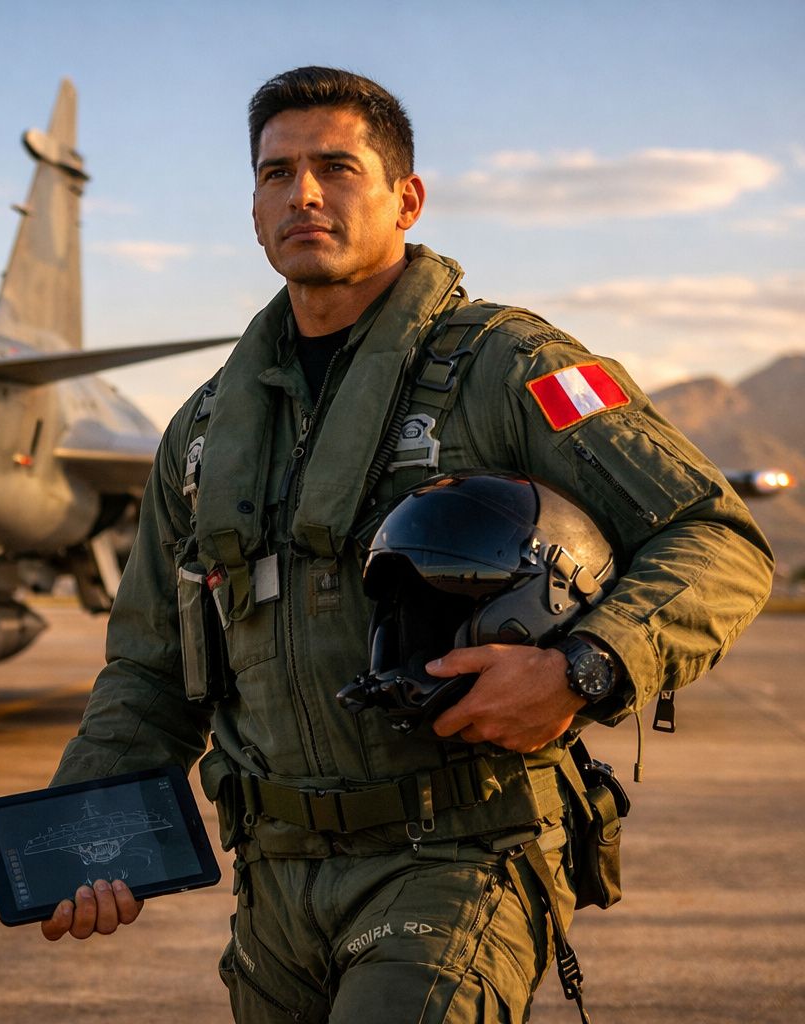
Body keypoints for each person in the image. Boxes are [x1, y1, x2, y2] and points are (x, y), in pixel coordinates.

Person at [39, 67, 774, 1023]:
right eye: (276, 174)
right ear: (254, 210)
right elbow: (146, 664)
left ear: (406, 198)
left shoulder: (514, 368)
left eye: (336, 167)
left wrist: (583, 669)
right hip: (275, 889)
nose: (302, 193)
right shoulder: (204, 432)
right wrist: (91, 833)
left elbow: (714, 538)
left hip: (458, 855)